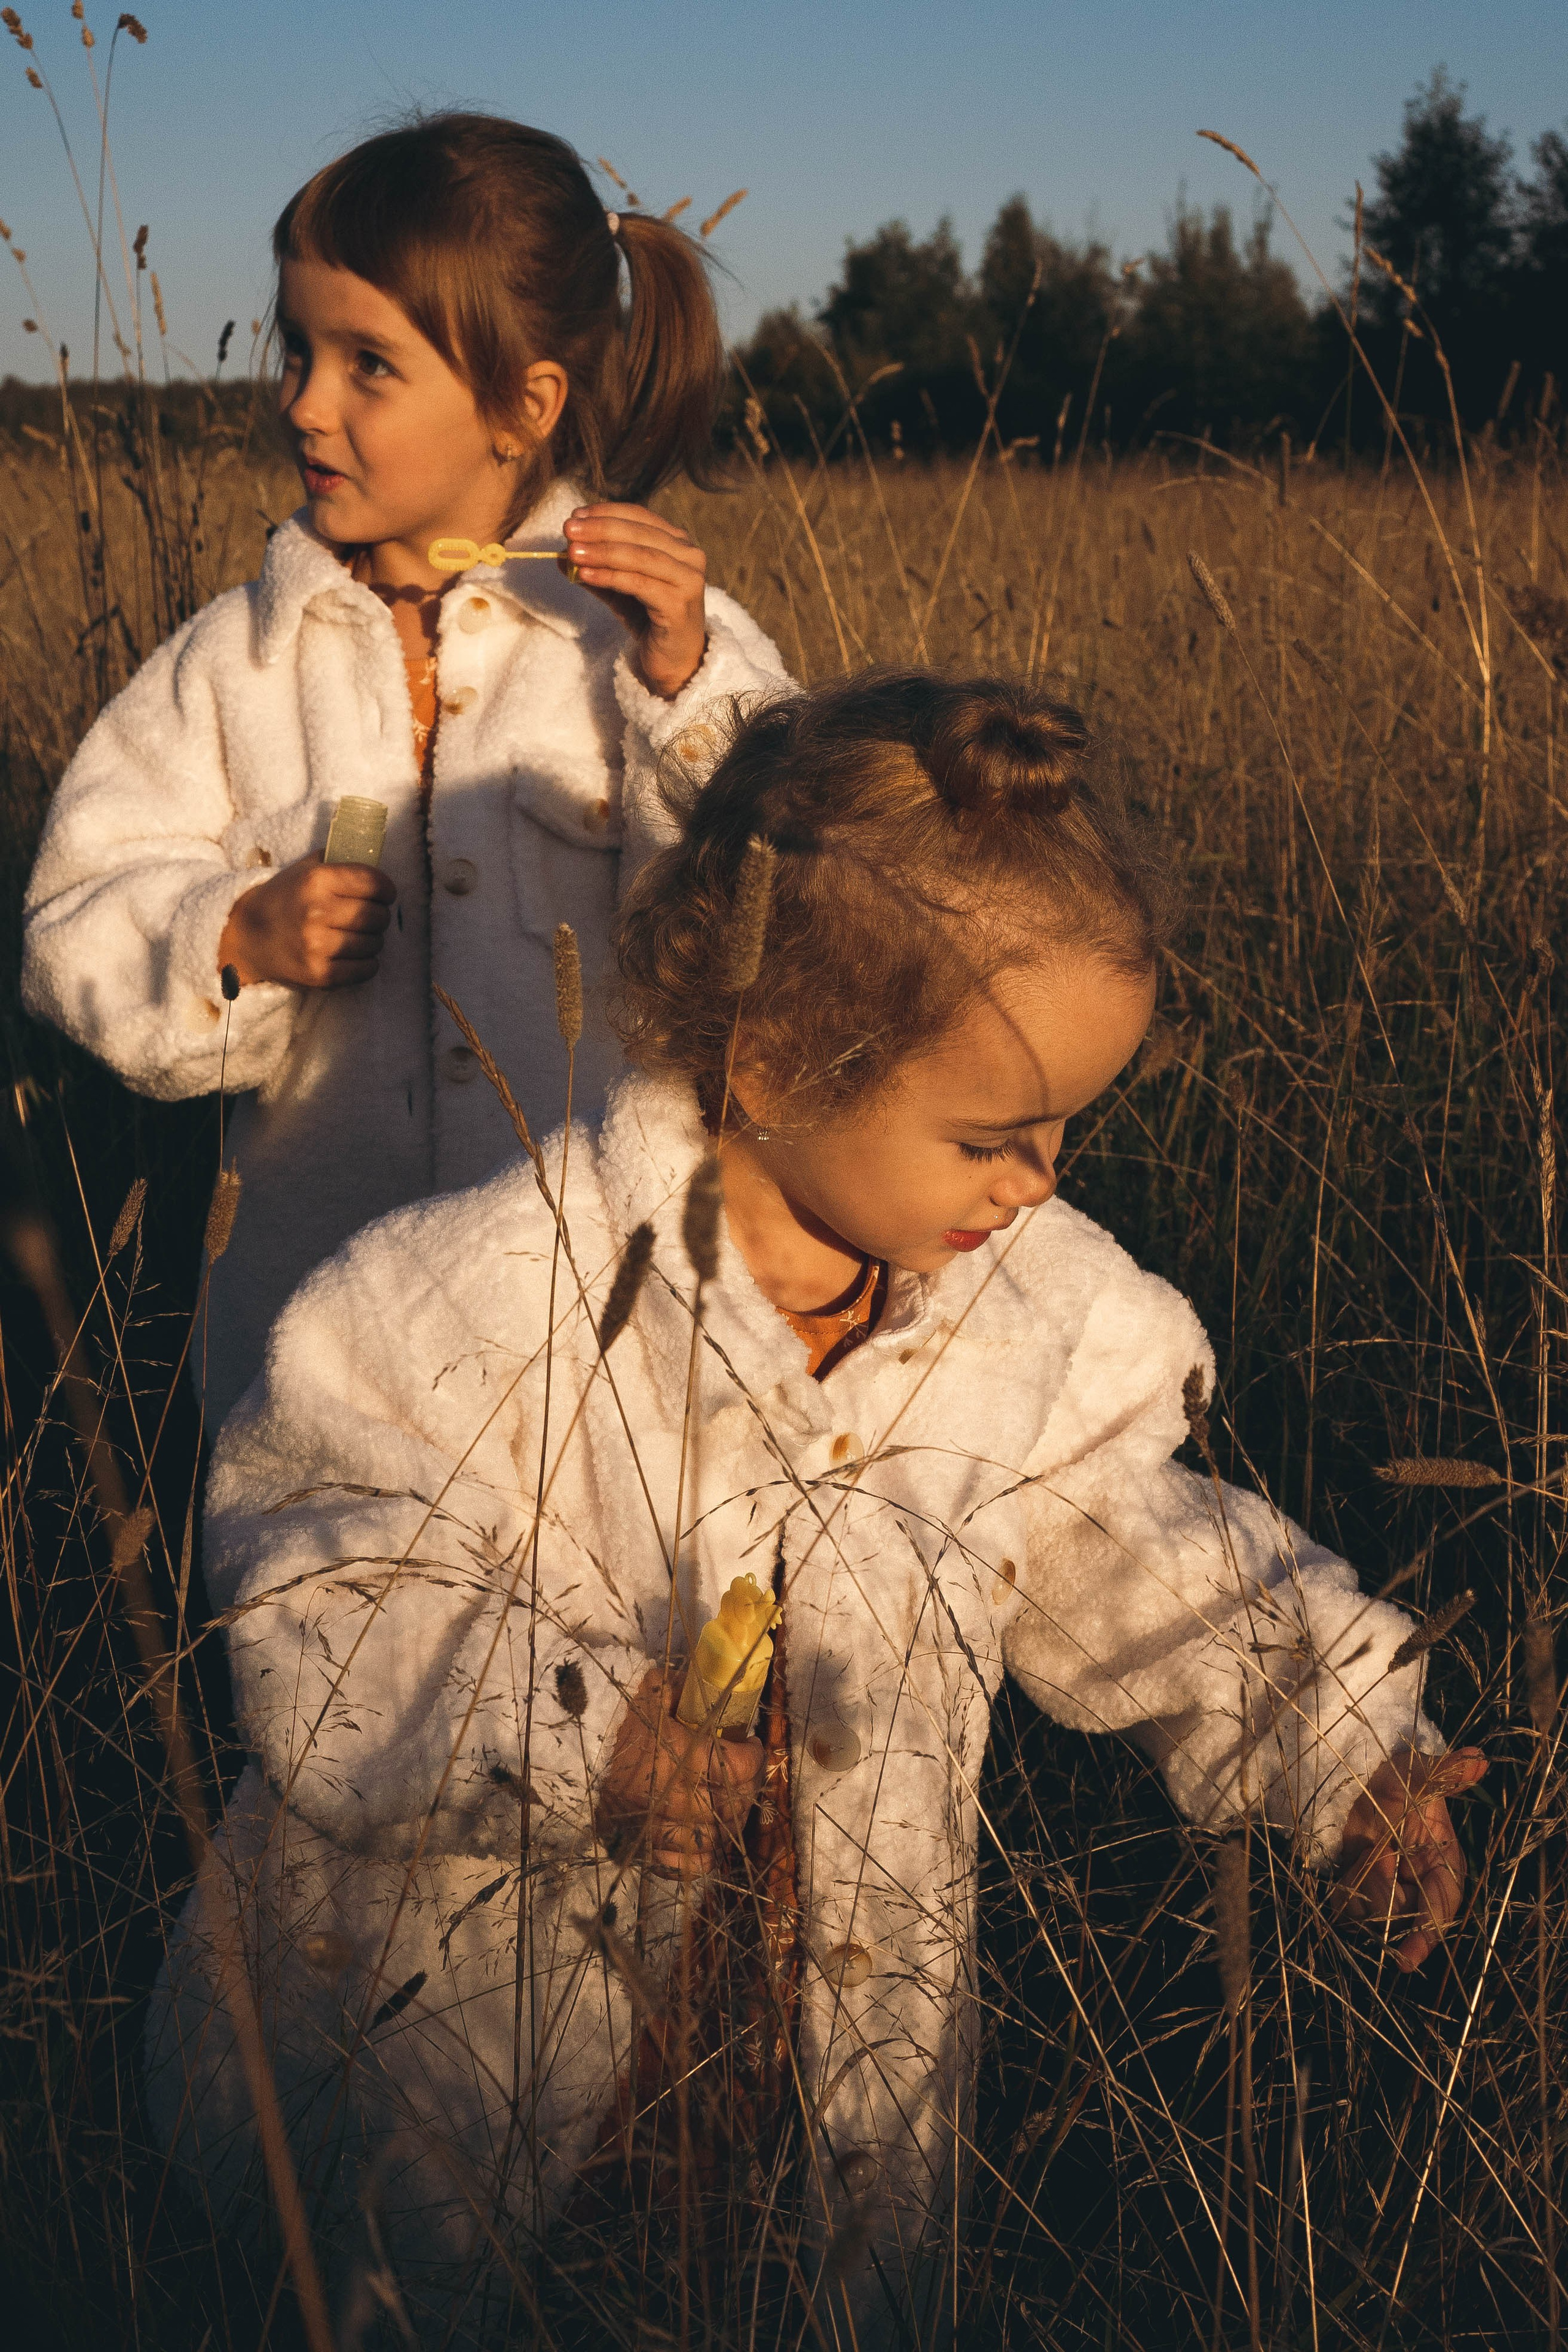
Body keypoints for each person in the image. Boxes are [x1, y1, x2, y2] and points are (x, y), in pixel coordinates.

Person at [146, 674, 1485, 2348]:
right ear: (772, 1056)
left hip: (814, 2052)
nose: (1045, 1177)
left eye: (1071, 1122)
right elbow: (317, 1585)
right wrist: (580, 1733)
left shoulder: (1023, 1321)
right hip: (463, 2038)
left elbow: (1140, 1555)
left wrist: (1340, 1746)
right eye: (996, 1133)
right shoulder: (485, 1302)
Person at [21, 115, 787, 1426]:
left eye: (367, 365)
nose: (302, 402)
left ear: (521, 407)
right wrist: (231, 933)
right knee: (316, 1620)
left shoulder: (648, 645)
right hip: (309, 1338)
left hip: (593, 1339)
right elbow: (71, 920)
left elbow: (780, 915)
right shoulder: (235, 664)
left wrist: (686, 694)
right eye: (298, 350)